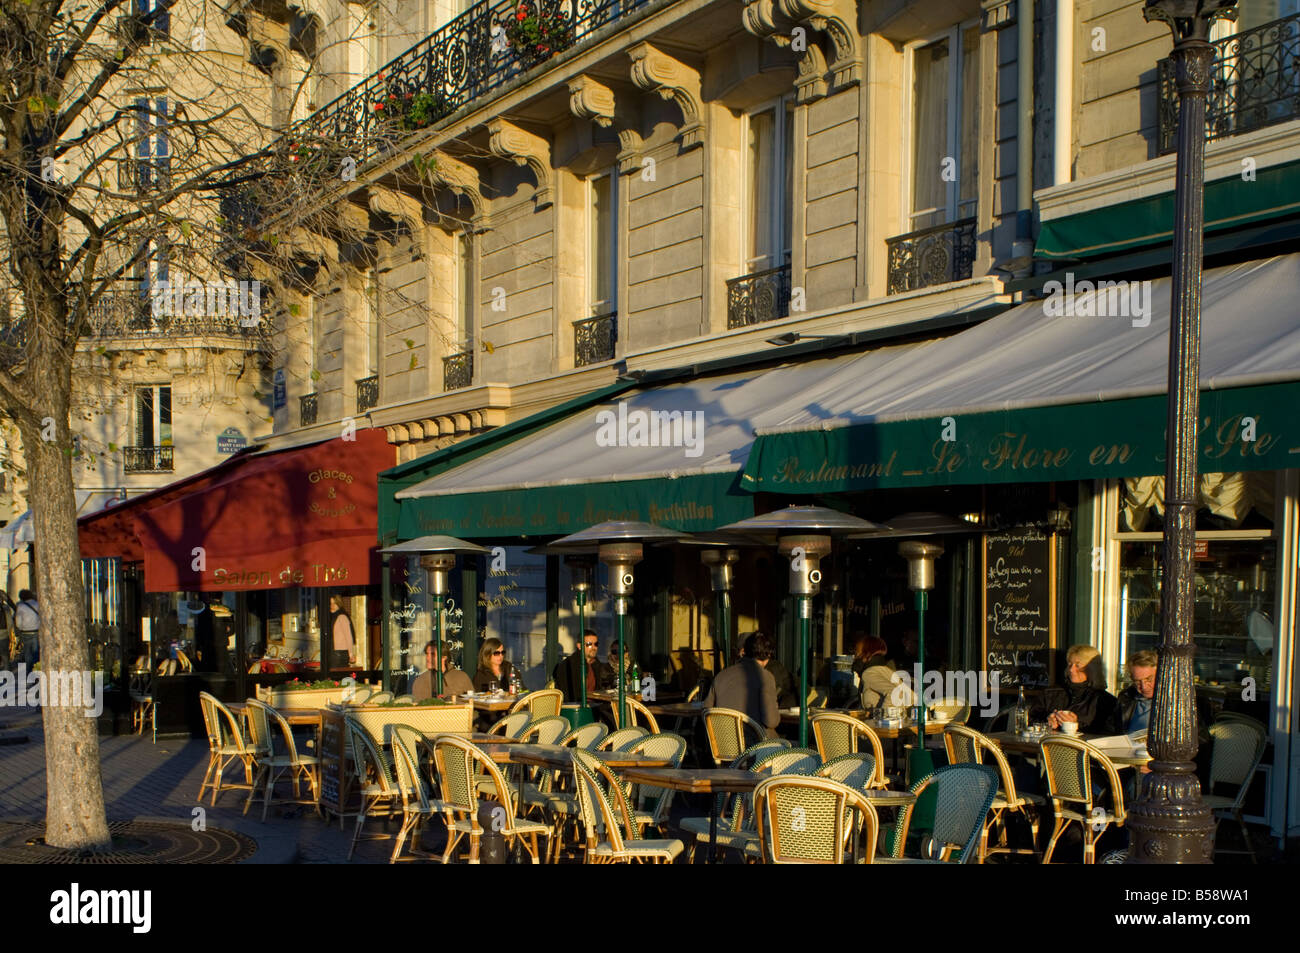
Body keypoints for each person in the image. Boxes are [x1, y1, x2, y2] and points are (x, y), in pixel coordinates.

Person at [704, 631, 779, 739]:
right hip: (756, 749)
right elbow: (771, 721)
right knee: (797, 750)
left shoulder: (721, 675)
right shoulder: (765, 677)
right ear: (769, 654)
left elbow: (707, 711)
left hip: (723, 747)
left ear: (745, 651)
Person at [1032, 644, 1117, 733]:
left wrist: (1076, 725)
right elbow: (1030, 719)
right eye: (1069, 664)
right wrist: (1047, 720)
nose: (1071, 669)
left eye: (1077, 665)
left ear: (1092, 669)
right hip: (1049, 745)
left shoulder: (1105, 701)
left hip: (1083, 746)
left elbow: (1110, 734)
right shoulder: (1050, 693)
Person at [553, 630, 613, 702]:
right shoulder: (569, 665)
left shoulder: (596, 664)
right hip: (577, 706)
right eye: (589, 644)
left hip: (595, 704)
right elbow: (570, 693)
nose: (594, 647)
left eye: (596, 644)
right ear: (579, 646)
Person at [1108, 650, 1157, 737]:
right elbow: (1111, 731)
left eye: (1149, 679)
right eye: (1137, 681)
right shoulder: (1126, 698)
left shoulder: (1175, 702)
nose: (1144, 687)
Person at [857, 635, 912, 709]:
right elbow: (911, 697)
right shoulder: (886, 670)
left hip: (885, 720)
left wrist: (883, 716)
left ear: (866, 653)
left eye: (857, 652)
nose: (856, 656)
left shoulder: (869, 673)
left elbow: (895, 692)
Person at [329, 595, 356, 669]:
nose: (332, 606)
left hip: (340, 654)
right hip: (333, 652)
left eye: (334, 603)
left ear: (339, 604)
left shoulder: (342, 616)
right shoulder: (332, 617)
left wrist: (351, 654)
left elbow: (348, 636)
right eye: (330, 603)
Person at [14, 589, 39, 667]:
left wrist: (21, 628)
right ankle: (36, 669)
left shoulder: (20, 606)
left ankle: (28, 671)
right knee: (36, 652)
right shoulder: (37, 604)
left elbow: (18, 622)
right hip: (36, 631)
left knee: (27, 652)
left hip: (25, 632)